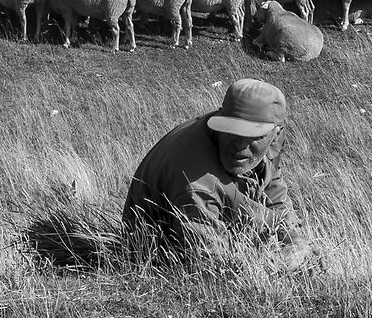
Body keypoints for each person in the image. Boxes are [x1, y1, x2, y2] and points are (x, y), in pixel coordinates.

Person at [122, 78, 308, 266]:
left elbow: (276, 194)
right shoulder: (196, 180)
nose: (240, 146)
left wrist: (295, 241)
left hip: (226, 213)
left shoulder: (270, 141)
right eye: (233, 130)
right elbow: (206, 261)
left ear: (277, 132)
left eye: (254, 136)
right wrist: (270, 268)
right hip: (155, 258)